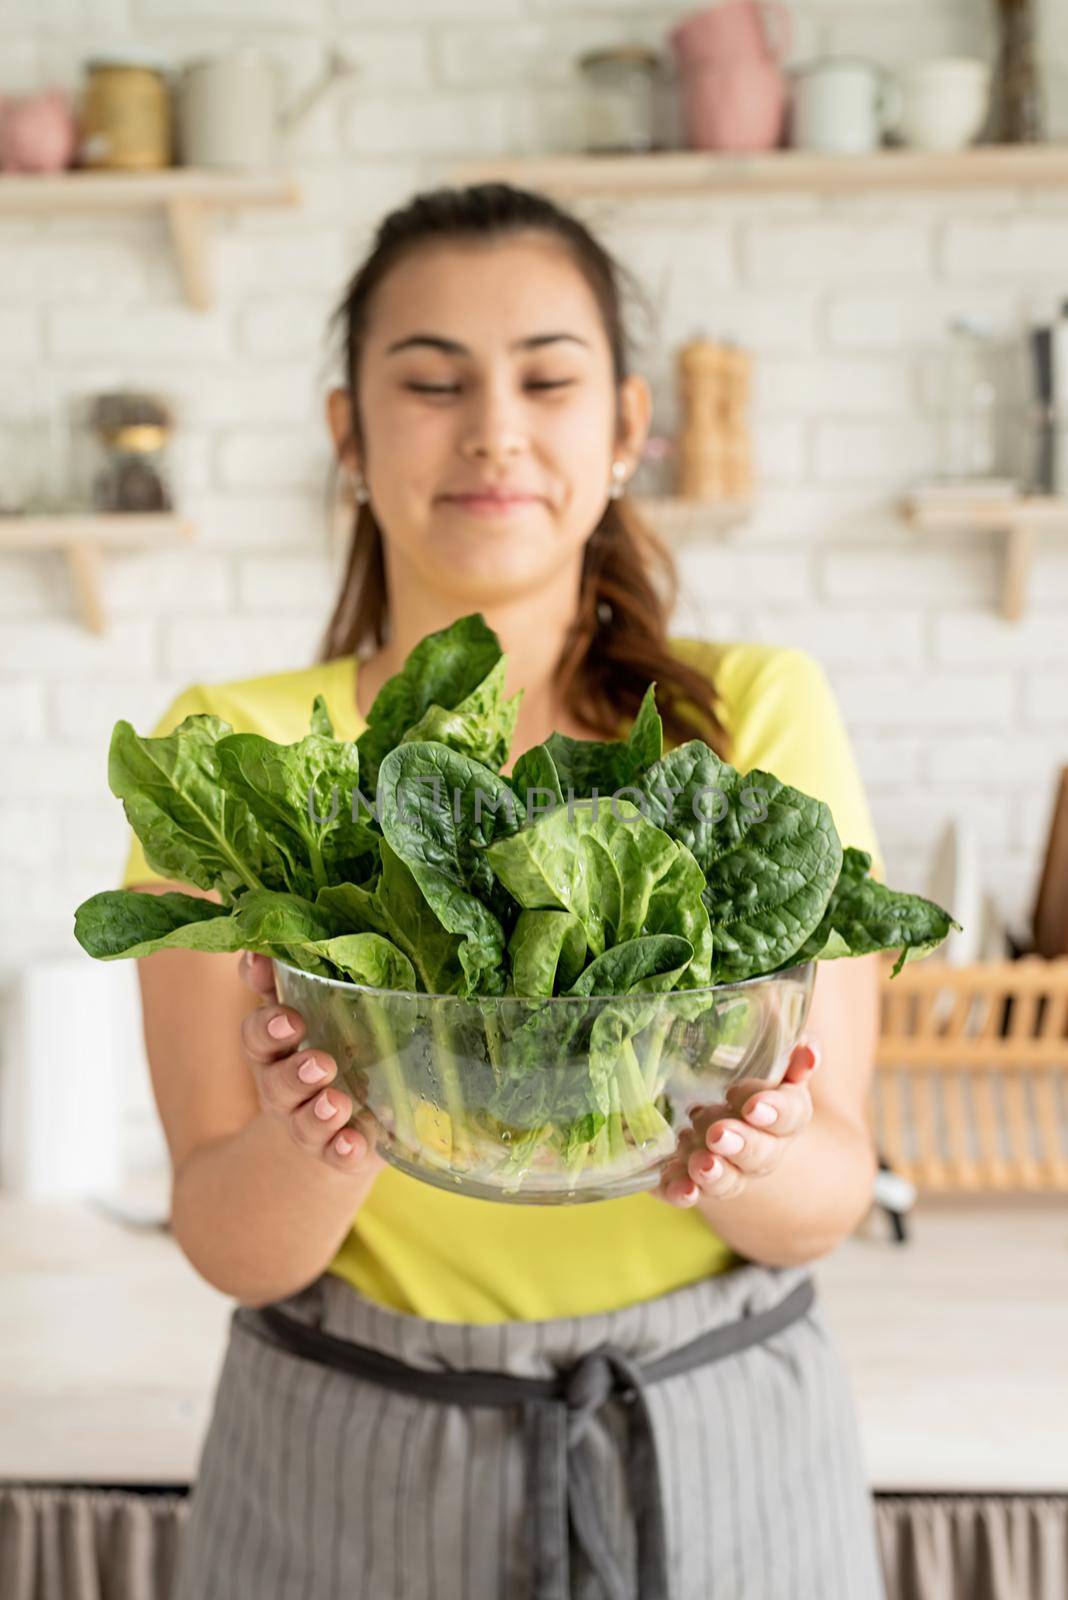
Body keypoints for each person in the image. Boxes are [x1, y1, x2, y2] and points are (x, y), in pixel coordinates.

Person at [121, 182, 887, 1600]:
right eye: (430, 381)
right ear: (348, 431)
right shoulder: (228, 752)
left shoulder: (750, 720)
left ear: (628, 428)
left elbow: (829, 1188)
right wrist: (318, 1131)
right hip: (345, 1449)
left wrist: (757, 1146)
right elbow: (232, 1241)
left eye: (547, 377)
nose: (494, 429)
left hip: (718, 1441)